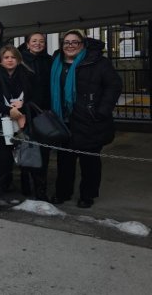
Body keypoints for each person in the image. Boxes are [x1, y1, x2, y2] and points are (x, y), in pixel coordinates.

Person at [50, 30, 122, 208]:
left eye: (75, 42)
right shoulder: (56, 62)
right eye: (66, 42)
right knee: (64, 161)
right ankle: (63, 192)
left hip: (90, 120)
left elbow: (114, 85)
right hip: (64, 120)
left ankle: (87, 195)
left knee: (89, 162)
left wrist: (101, 111)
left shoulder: (97, 61)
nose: (70, 45)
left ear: (82, 44)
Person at [0, 45, 35, 211]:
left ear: (18, 59)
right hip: (2, 122)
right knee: (2, 160)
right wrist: (8, 110)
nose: (9, 60)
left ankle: (28, 189)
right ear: (1, 60)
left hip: (24, 121)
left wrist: (23, 105)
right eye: (6, 57)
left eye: (12, 57)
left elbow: (37, 96)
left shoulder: (28, 75)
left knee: (27, 155)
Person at [19, 32, 53, 200]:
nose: (38, 44)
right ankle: (25, 183)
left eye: (41, 41)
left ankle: (41, 189)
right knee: (27, 148)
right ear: (27, 44)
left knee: (44, 152)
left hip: (44, 112)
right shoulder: (20, 61)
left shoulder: (50, 61)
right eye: (34, 41)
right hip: (25, 111)